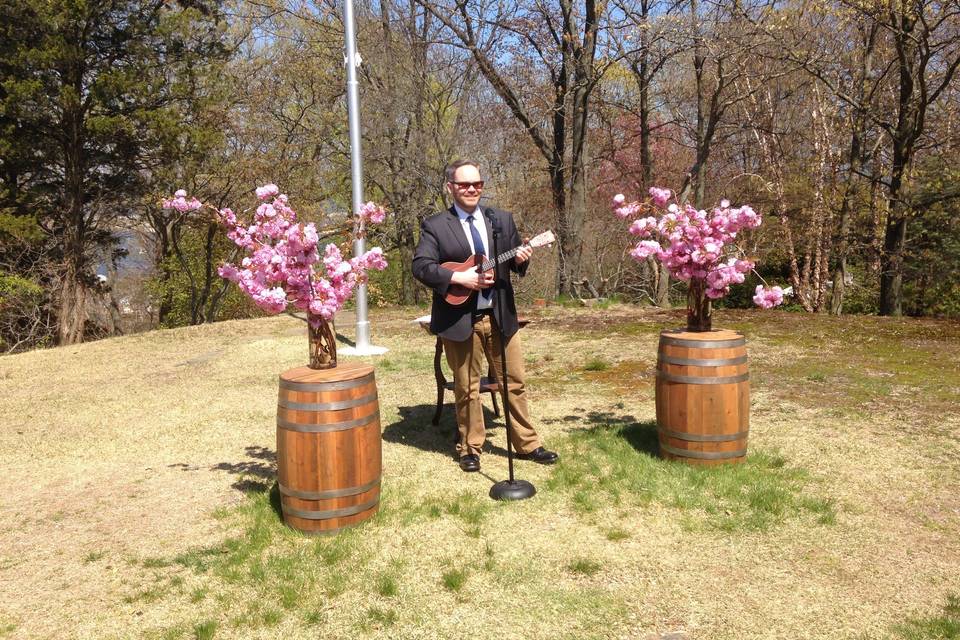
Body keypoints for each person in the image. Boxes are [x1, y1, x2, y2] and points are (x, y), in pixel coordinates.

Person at [412, 159, 559, 472]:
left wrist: (522, 257)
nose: (471, 189)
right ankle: (470, 448)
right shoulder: (436, 225)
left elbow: (514, 264)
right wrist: (458, 279)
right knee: (467, 387)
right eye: (464, 184)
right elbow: (421, 266)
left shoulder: (500, 220)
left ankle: (527, 444)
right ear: (450, 187)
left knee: (515, 381)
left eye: (477, 184)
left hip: (500, 316)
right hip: (460, 319)